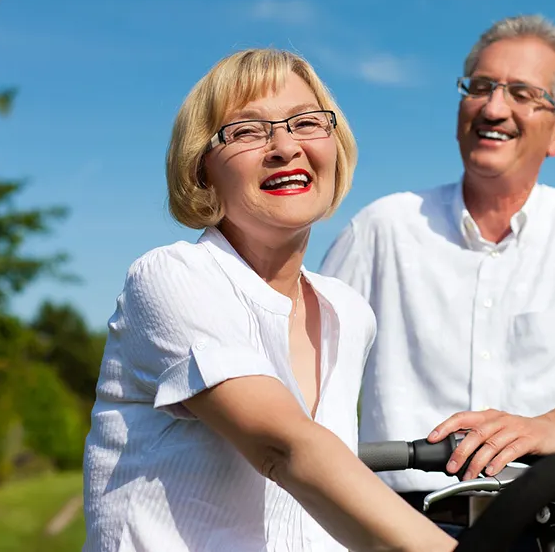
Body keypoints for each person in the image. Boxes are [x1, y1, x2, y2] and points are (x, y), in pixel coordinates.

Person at [320, 15, 555, 551]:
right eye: (481, 87)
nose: (493, 107)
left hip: (547, 531)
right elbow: (307, 373)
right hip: (396, 529)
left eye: (521, 93)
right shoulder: (383, 227)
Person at [82, 49, 456, 552]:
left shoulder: (348, 311)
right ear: (201, 170)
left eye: (305, 123)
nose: (284, 147)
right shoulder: (171, 278)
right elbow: (284, 448)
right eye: (247, 131)